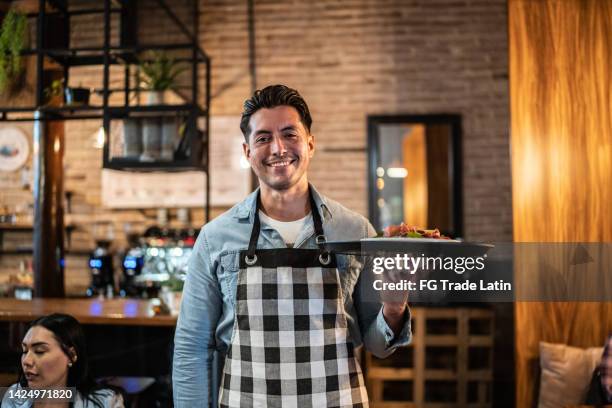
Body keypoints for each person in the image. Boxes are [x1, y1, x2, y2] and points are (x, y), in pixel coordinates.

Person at [173, 84, 412, 407]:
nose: (278, 147)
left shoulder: (355, 230)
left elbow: (378, 346)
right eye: (263, 138)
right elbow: (192, 347)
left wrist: (394, 309)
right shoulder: (215, 238)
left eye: (290, 134)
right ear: (247, 152)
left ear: (310, 144)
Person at [2, 313, 123, 408]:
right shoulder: (15, 398)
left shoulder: (106, 403)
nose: (26, 361)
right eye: (24, 351)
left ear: (71, 355)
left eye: (39, 351)